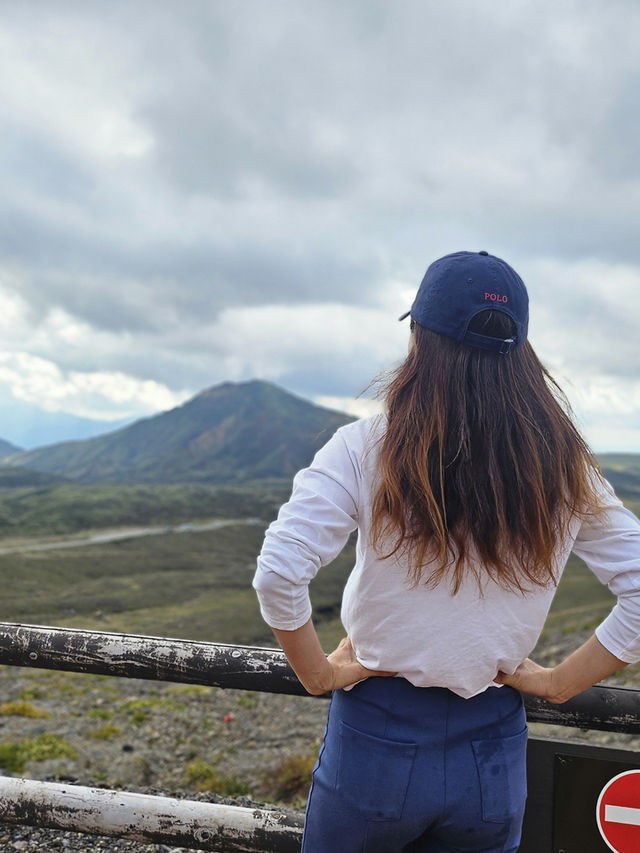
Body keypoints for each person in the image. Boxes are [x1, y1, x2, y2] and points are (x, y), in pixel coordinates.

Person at [252, 250, 640, 852]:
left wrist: (318, 673)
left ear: (418, 339)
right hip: (493, 748)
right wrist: (564, 682)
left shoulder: (366, 447)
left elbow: (278, 572)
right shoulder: (564, 468)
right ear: (523, 355)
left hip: (375, 739)